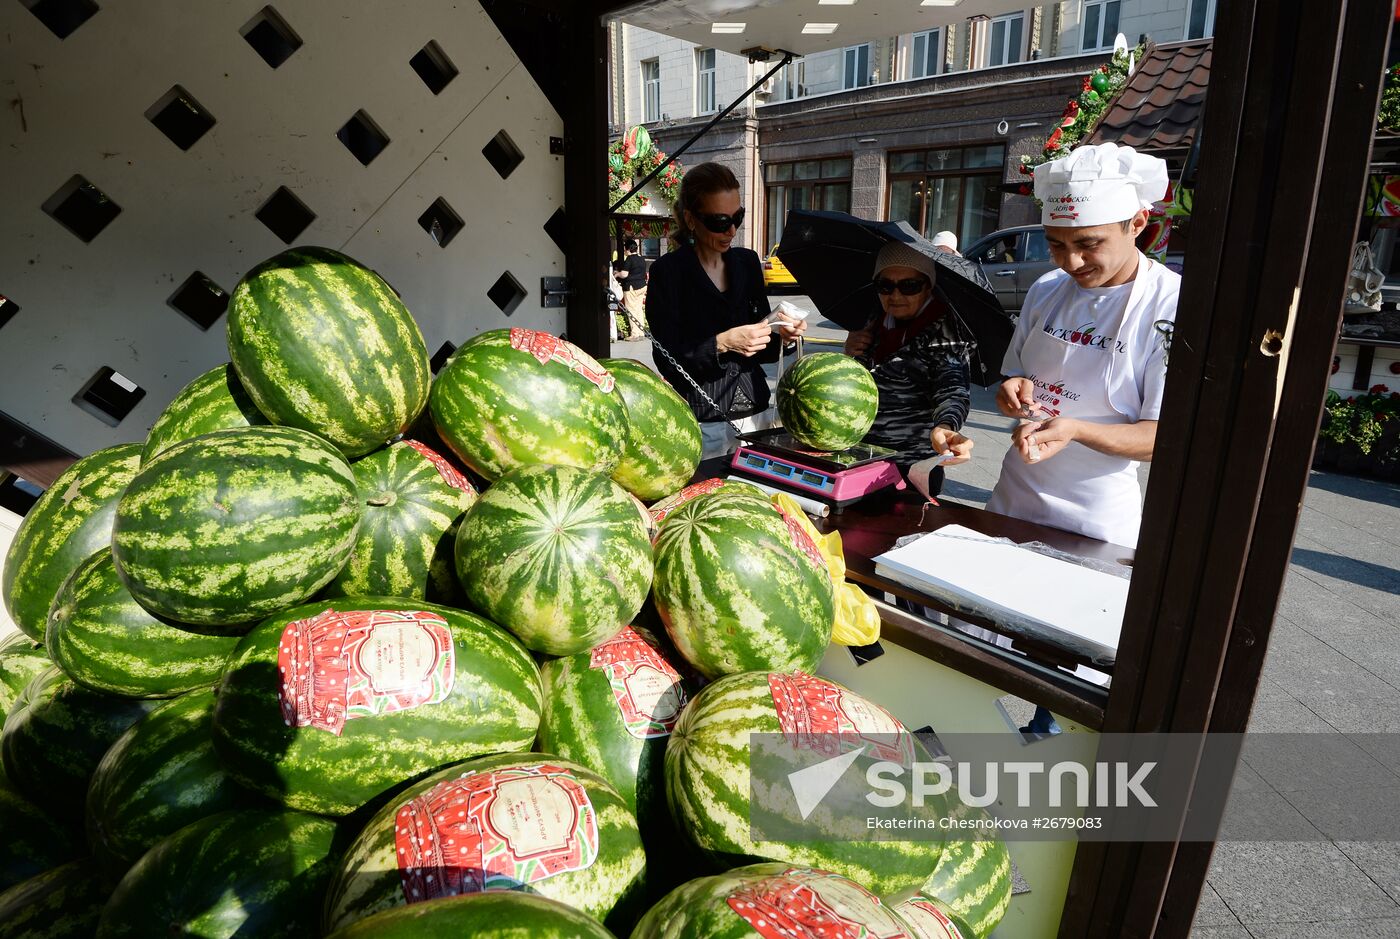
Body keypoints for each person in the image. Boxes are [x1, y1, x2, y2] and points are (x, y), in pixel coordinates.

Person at [986, 141, 1179, 549]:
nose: (1070, 263)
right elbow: (1016, 376)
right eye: (1056, 244)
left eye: (1089, 244)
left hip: (1096, 518)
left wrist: (1075, 430)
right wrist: (1011, 391)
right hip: (1014, 497)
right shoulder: (1046, 289)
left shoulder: (1170, 304)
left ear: (1138, 222)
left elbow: (1164, 437)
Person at [646, 162, 807, 459]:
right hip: (700, 416)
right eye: (720, 221)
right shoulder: (668, 272)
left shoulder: (747, 262)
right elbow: (667, 358)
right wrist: (722, 343)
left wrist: (781, 333)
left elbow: (766, 352)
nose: (731, 230)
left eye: (738, 217)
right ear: (690, 219)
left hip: (757, 413)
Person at [843, 242, 974, 495]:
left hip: (910, 467)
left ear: (928, 287)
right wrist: (850, 353)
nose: (895, 296)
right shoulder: (873, 321)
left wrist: (946, 427)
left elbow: (953, 390)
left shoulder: (945, 334)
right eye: (885, 285)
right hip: (862, 458)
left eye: (909, 286)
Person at [613, 239, 649, 338]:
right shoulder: (641, 259)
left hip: (631, 287)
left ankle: (634, 334)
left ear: (627, 249)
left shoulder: (629, 259)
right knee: (638, 310)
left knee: (631, 310)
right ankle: (641, 332)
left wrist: (616, 274)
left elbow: (624, 274)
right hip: (642, 286)